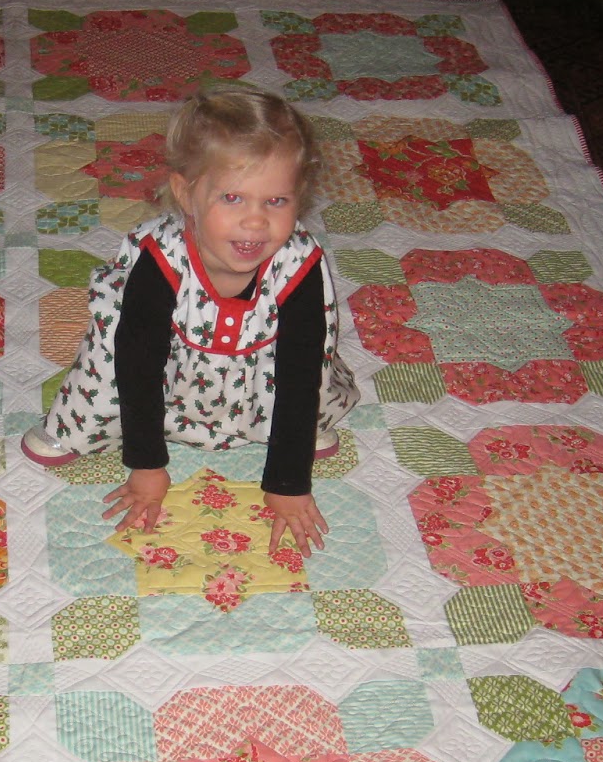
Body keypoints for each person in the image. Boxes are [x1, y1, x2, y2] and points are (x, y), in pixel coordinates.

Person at [21, 88, 359, 555]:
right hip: (160, 365)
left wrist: (288, 478)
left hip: (258, 368)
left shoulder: (300, 265)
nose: (256, 222)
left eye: (277, 201)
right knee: (112, 360)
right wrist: (147, 465)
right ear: (186, 194)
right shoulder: (161, 260)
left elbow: (299, 372)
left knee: (308, 394)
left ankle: (274, 432)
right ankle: (81, 427)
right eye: (234, 198)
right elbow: (138, 364)